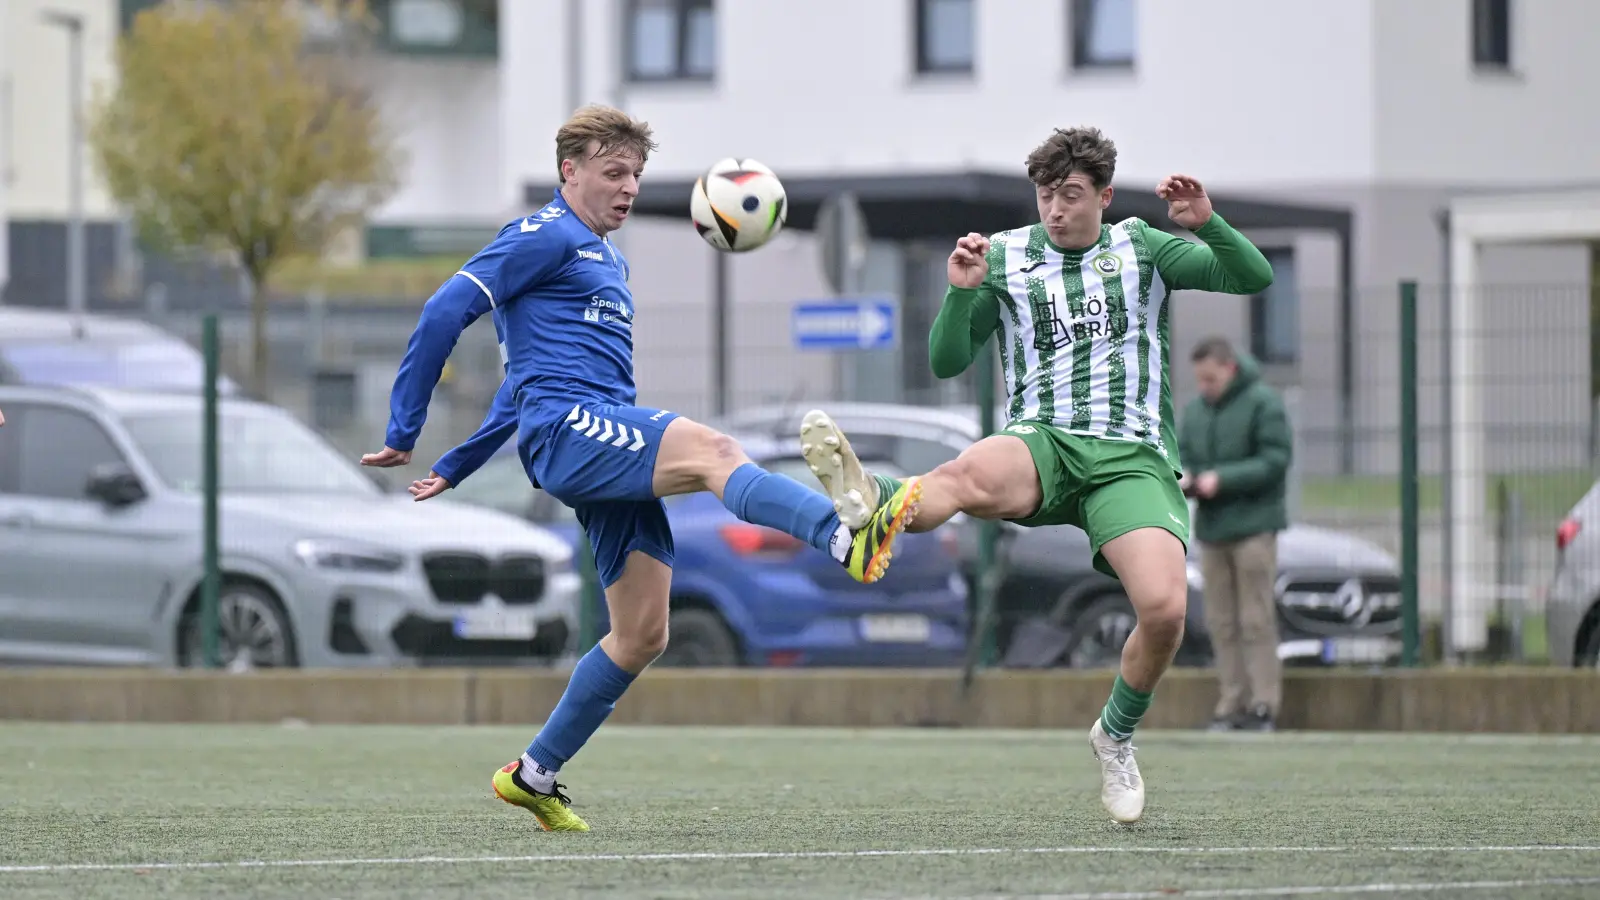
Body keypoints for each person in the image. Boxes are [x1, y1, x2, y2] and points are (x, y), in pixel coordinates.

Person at [360, 105, 922, 832]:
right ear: (570, 170)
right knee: (718, 453)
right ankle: (847, 534)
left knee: (642, 634)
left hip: (588, 438)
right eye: (613, 172)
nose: (628, 188)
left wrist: (461, 462)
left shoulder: (607, 256)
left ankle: (534, 773)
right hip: (571, 430)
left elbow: (516, 378)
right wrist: (406, 426)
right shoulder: (542, 234)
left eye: (637, 175)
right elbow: (444, 311)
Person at [798, 126, 1273, 824]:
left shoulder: (1142, 246)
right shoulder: (1006, 256)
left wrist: (1210, 225)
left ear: (1104, 196)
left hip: (1129, 456)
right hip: (1042, 441)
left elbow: (1252, 278)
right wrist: (961, 292)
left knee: (1166, 613)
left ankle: (1113, 736)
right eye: (1046, 195)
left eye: (1071, 195)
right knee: (965, 471)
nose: (1055, 209)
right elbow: (947, 361)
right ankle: (878, 503)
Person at [1178, 337, 1292, 733]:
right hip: (1213, 531)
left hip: (1254, 529)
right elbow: (1185, 456)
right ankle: (1231, 702)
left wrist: (1222, 480)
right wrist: (1188, 479)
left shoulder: (1264, 403)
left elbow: (1275, 460)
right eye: (1200, 380)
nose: (1205, 387)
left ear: (1229, 368)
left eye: (1211, 378)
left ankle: (1263, 704)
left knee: (1255, 619)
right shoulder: (1195, 412)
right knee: (1221, 621)